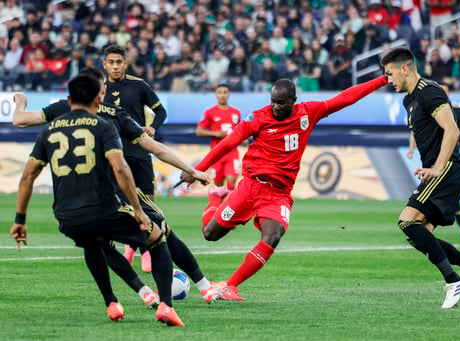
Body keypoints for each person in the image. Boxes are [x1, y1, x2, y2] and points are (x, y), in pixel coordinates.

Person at [12, 66, 227, 304]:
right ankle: (200, 288)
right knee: (160, 230)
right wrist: (192, 170)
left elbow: (20, 122)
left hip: (76, 197)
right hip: (116, 188)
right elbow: (155, 148)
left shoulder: (62, 111)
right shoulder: (114, 114)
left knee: (98, 243)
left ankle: (138, 294)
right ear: (101, 91)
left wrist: (20, 102)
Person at [178, 75, 389, 301]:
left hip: (277, 195)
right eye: (273, 102)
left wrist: (383, 80)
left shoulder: (308, 113)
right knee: (210, 234)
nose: (276, 107)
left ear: (293, 100)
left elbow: (345, 98)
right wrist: (194, 170)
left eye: (281, 102)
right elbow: (227, 144)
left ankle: (230, 286)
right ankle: (214, 197)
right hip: (249, 187)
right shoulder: (257, 118)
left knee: (273, 235)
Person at [381, 47, 460, 309]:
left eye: (389, 74)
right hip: (437, 170)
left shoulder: (430, 91)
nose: (388, 81)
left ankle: (453, 280)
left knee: (406, 221)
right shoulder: (408, 100)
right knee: (418, 235)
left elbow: (453, 130)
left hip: (447, 169)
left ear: (404, 69)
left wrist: (437, 166)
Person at [102, 44, 168, 271]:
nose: (115, 66)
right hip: (114, 155)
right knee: (123, 202)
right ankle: (131, 245)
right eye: (111, 62)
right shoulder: (100, 90)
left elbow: (161, 111)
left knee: (148, 201)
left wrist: (153, 128)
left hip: (139, 153)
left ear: (125, 63)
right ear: (105, 65)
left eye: (119, 62)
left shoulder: (139, 86)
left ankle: (146, 250)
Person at [406, 83, 460, 241]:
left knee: (409, 223)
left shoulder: (457, 110)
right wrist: (411, 149)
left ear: (448, 93)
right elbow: (415, 131)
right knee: (419, 232)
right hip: (434, 163)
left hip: (450, 162)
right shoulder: (425, 105)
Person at [196, 84, 241, 191]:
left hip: (232, 152)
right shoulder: (209, 112)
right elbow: (199, 131)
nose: (222, 95)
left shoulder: (236, 112)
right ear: (216, 95)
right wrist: (215, 133)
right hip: (216, 153)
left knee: (231, 184)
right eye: (219, 92)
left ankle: (231, 207)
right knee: (219, 188)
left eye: (225, 92)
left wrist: (242, 139)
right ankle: (218, 207)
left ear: (229, 94)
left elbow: (239, 130)